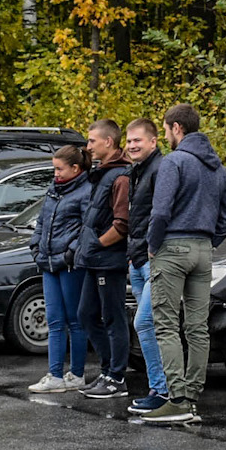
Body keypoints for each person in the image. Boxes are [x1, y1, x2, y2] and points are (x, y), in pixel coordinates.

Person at [136, 104, 226, 426]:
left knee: (165, 325)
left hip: (172, 248)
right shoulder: (216, 167)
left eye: (165, 129)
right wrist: (208, 242)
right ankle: (191, 398)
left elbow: (160, 211)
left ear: (177, 128)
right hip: (204, 250)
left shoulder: (174, 161)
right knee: (197, 328)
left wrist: (153, 245)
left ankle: (176, 400)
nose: (165, 135)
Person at [75, 120, 133, 399]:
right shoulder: (102, 172)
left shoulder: (120, 176)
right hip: (94, 258)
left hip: (108, 260)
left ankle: (116, 378)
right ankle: (108, 370)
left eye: (92, 141)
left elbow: (122, 223)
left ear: (109, 142)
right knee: (86, 314)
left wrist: (98, 245)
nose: (88, 147)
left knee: (113, 317)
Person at [27, 145, 92, 393]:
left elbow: (87, 227)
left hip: (69, 264)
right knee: (54, 319)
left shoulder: (86, 192)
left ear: (75, 168)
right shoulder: (54, 190)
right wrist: (36, 247)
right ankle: (54, 374)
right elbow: (42, 221)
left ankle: (76, 374)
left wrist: (70, 253)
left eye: (59, 169)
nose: (55, 174)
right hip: (48, 262)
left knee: (74, 321)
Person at [121, 117, 169, 414]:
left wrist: (153, 248)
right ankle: (157, 387)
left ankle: (163, 391)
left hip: (154, 259)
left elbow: (162, 213)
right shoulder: (136, 172)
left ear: (153, 141)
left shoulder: (161, 169)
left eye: (137, 140)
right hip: (136, 260)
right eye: (129, 141)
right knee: (148, 327)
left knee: (146, 323)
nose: (132, 145)